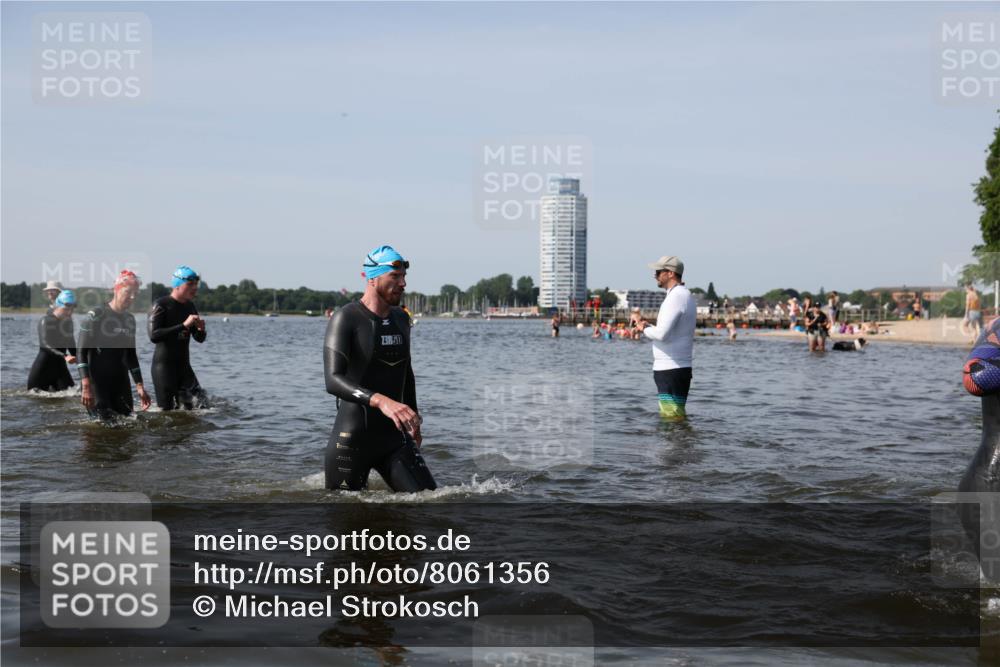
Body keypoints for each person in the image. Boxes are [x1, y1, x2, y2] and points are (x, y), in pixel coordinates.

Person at [323, 245, 436, 492]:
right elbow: (333, 380)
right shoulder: (346, 317)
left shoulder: (401, 319)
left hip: (394, 438)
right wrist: (382, 401)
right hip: (351, 440)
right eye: (395, 277)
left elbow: (406, 372)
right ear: (372, 278)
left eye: (404, 276)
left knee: (429, 504)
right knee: (348, 520)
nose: (403, 283)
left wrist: (414, 418)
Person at [78, 271, 151, 419]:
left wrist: (140, 386)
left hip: (120, 381)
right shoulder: (97, 314)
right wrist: (86, 386)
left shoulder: (129, 319)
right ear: (116, 289)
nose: (132, 297)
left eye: (135, 293)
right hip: (97, 382)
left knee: (129, 426)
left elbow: (130, 355)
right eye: (128, 292)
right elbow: (81, 352)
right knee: (101, 429)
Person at [632, 256, 696, 421]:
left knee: (670, 419)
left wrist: (643, 327)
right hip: (678, 367)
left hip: (670, 369)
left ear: (670, 273)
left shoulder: (675, 297)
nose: (655, 275)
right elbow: (669, 332)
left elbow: (662, 335)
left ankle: (675, 446)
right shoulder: (685, 294)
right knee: (676, 416)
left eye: (659, 272)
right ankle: (683, 445)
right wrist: (648, 326)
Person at [149, 265, 208, 410]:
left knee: (202, 406)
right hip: (164, 369)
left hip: (184, 368)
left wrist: (201, 330)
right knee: (167, 413)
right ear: (177, 285)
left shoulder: (190, 306)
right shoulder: (161, 305)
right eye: (190, 284)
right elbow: (154, 336)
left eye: (196, 284)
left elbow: (198, 338)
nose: (194, 288)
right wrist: (183, 325)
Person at [27, 289, 77, 391]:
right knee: (35, 400)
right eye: (67, 308)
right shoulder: (45, 320)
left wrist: (81, 359)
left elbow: (71, 343)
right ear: (58, 305)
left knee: (73, 396)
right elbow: (45, 345)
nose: (70, 312)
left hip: (60, 369)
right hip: (42, 369)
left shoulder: (68, 323)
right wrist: (65, 356)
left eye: (72, 309)